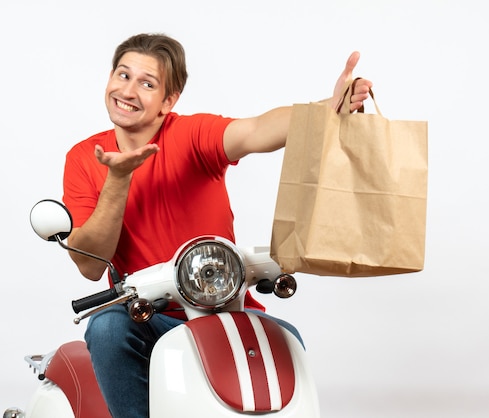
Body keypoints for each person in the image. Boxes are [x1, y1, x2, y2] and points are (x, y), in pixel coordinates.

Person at [61, 33, 373, 418]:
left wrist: (327, 108)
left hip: (225, 308)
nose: (128, 90)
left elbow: (255, 131)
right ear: (109, 78)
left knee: (287, 340)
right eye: (123, 75)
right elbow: (91, 265)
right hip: (145, 316)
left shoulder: (191, 135)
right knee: (106, 329)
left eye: (147, 83)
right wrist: (118, 179)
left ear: (168, 100)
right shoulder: (84, 157)